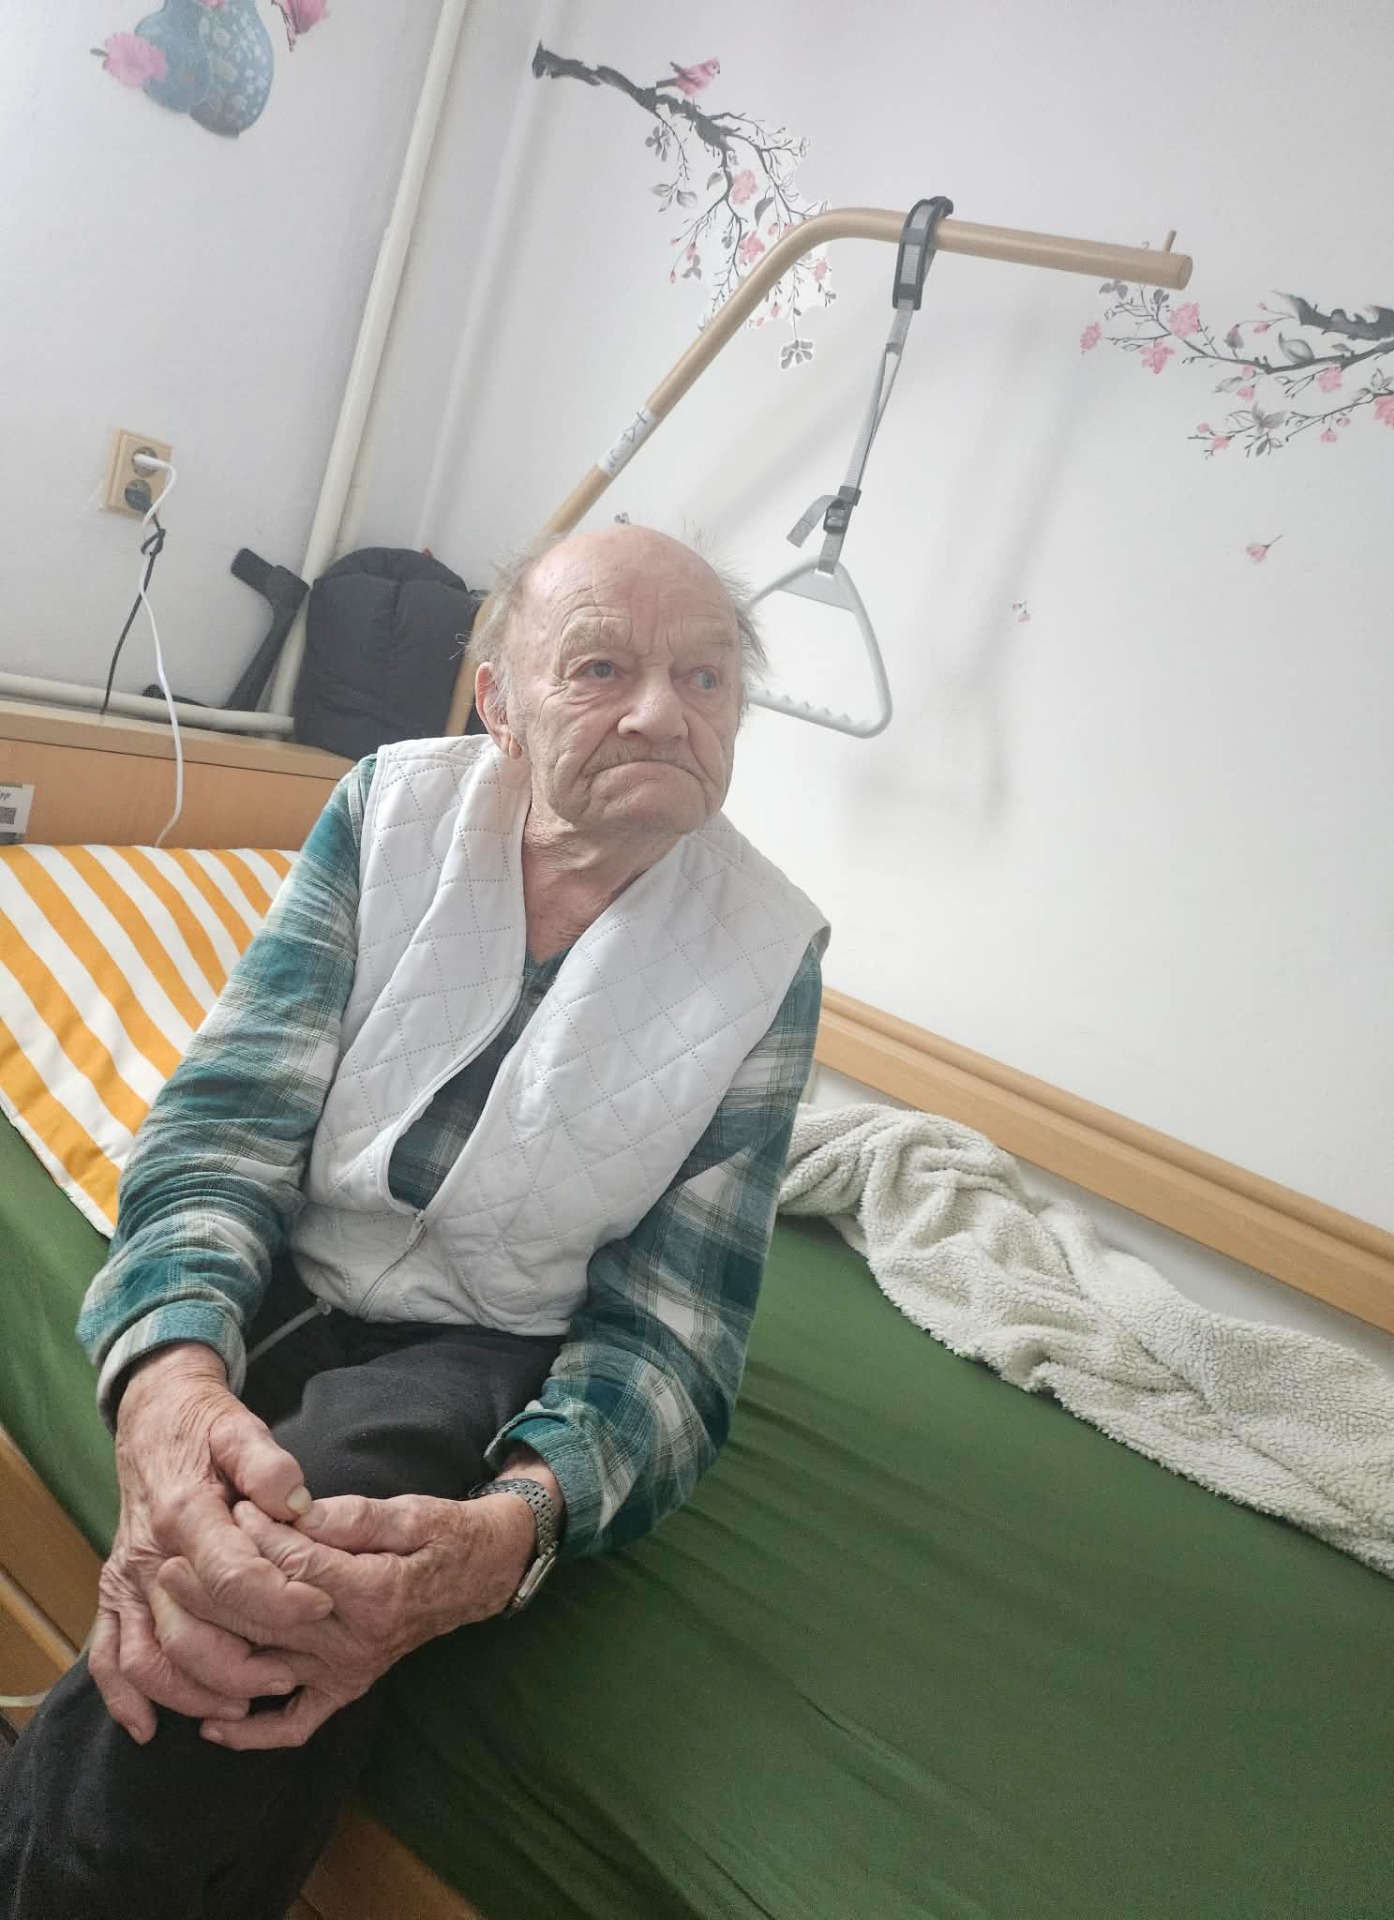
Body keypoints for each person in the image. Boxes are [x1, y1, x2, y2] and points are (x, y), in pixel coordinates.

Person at [0, 525, 827, 1918]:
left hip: (483, 1333)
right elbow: (226, 1122)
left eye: (705, 677)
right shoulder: (390, 811)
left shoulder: (767, 953)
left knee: (318, 1543)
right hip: (290, 1252)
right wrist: (168, 1379)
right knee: (252, 1548)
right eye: (601, 668)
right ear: (499, 701)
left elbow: (674, 1338)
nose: (660, 712)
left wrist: (521, 1525)